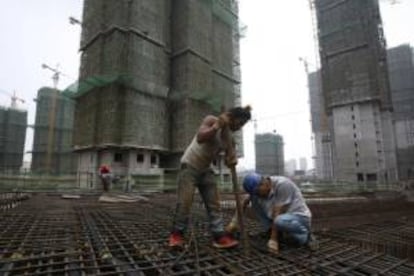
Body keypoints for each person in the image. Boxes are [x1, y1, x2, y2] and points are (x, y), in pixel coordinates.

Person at [168, 106, 252, 249]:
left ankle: (219, 236)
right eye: (239, 123)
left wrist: (231, 159)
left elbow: (228, 159)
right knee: (185, 203)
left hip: (206, 169)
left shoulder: (229, 139)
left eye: (242, 125)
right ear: (233, 117)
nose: (239, 127)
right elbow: (201, 138)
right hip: (189, 165)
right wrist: (217, 127)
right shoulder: (211, 120)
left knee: (214, 203)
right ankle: (177, 235)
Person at [226, 173, 318, 253]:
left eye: (258, 192)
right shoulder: (258, 190)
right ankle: (270, 230)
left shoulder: (283, 184)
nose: (258, 195)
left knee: (299, 240)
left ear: (264, 183)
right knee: (253, 199)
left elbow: (277, 212)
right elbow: (243, 202)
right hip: (283, 220)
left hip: (299, 217)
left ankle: (308, 234)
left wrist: (273, 240)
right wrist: (234, 222)